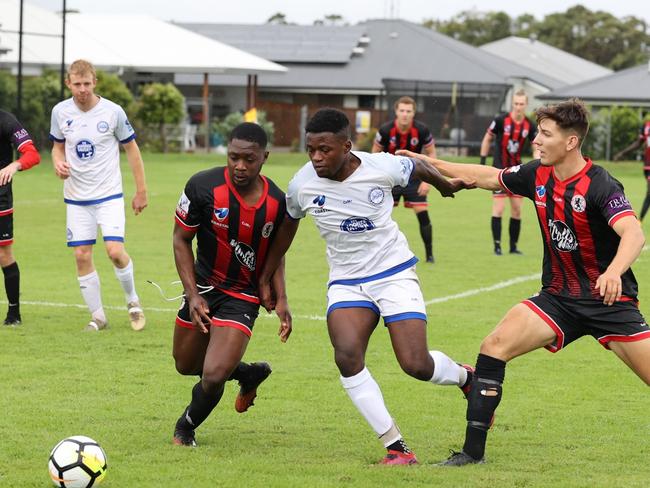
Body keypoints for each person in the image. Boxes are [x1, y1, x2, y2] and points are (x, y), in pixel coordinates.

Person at [398, 98, 650, 466]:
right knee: (494, 346)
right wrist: (427, 162)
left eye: (545, 134)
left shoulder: (600, 185)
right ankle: (472, 454)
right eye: (537, 132)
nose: (536, 140)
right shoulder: (538, 174)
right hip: (558, 300)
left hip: (608, 304)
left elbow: (633, 233)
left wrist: (613, 272)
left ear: (570, 142)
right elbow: (486, 176)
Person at [258, 108, 475, 465]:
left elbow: (416, 167)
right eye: (310, 149)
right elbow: (286, 230)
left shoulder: (382, 167)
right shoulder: (302, 185)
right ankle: (396, 447)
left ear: (347, 145)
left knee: (416, 365)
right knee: (346, 356)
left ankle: (465, 377)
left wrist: (445, 185)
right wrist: (268, 279)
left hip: (393, 272)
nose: (316, 157)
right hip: (346, 281)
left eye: (324, 149)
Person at [171, 122, 292, 447]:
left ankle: (185, 429)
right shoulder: (202, 186)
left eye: (249, 159)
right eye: (234, 157)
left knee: (212, 375)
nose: (240, 166)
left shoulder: (278, 202)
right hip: (204, 289)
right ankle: (248, 373)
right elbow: (181, 239)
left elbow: (277, 253)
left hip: (244, 296)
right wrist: (192, 294)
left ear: (264, 157)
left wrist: (281, 297)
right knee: (186, 365)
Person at [50, 59, 147, 332]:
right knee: (82, 255)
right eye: (77, 84)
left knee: (115, 252)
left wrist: (141, 191)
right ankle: (98, 317)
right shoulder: (60, 112)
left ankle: (133, 301)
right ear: (68, 83)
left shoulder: (113, 112)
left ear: (95, 83)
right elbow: (57, 148)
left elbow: (132, 150)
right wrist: (58, 162)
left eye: (87, 83)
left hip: (109, 195)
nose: (82, 89)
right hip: (76, 197)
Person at [372, 96, 437, 263]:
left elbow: (432, 154)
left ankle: (429, 255)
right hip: (390, 180)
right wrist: (376, 179)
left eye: (408, 111)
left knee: (423, 215)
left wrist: (427, 181)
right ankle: (376, 255)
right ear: (396, 112)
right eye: (402, 110)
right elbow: (374, 155)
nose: (405, 114)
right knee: (379, 216)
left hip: (414, 178)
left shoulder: (422, 130)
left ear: (414, 113)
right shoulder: (386, 130)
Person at [479, 89, 538, 255]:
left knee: (517, 210)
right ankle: (497, 246)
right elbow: (487, 138)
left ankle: (513, 247)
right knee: (498, 209)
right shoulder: (500, 120)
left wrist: (538, 160)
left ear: (526, 105)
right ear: (512, 104)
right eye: (516, 104)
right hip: (498, 171)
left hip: (517, 172)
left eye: (521, 104)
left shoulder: (529, 125)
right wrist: (483, 161)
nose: (518, 107)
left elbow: (536, 146)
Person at [0, 110, 41, 326]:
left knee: (4, 254)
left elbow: (32, 154)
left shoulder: (6, 121)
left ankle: (14, 313)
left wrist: (14, 165)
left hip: (0, 198)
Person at [613, 116, 650, 221]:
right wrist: (622, 153)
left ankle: (639, 221)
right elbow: (638, 143)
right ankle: (639, 221)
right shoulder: (646, 126)